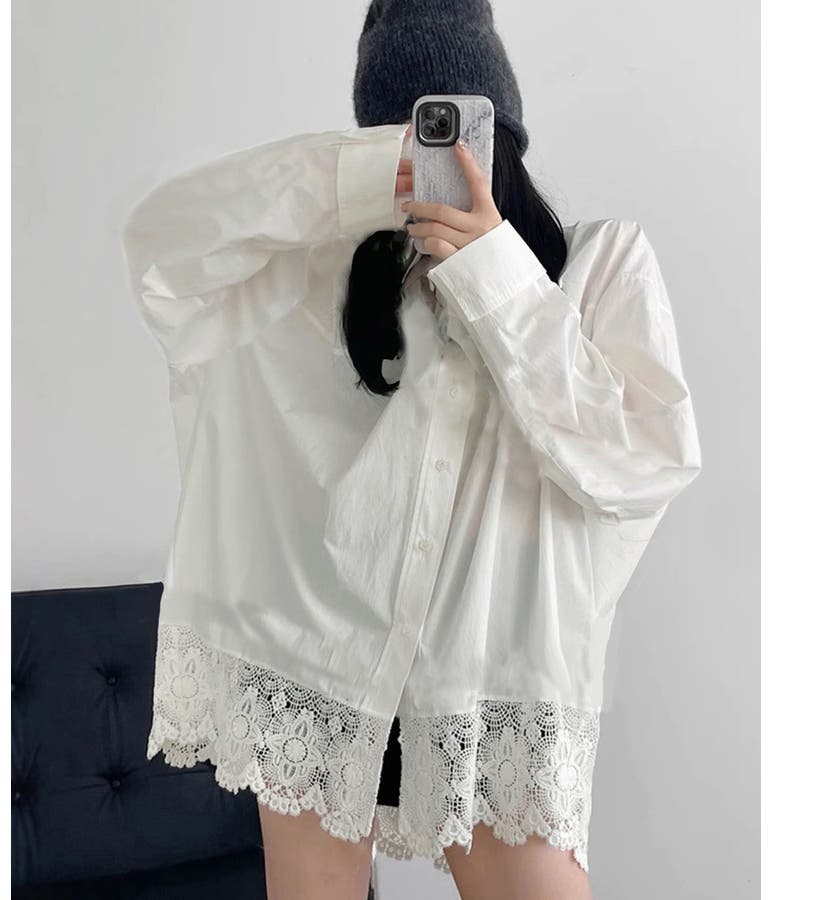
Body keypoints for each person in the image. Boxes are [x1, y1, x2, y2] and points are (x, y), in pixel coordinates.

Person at [119, 1, 702, 898]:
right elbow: (163, 248)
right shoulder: (319, 278)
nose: (438, 155)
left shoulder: (598, 266)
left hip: (489, 695)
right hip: (321, 677)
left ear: (500, 135)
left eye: (455, 129)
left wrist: (496, 275)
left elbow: (643, 460)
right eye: (414, 134)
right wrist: (355, 177)